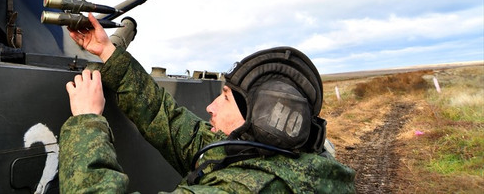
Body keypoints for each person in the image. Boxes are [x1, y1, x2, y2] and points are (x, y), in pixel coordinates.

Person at [59, 14, 355, 193]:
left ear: (261, 121)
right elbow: (171, 123)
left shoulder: (249, 187)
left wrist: (86, 121)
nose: (210, 107)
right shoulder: (273, 154)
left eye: (225, 98)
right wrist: (109, 53)